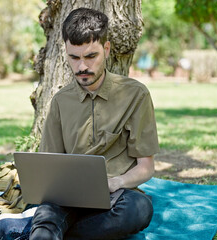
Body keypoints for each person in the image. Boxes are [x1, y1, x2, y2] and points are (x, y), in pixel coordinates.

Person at [29, 8, 160, 240]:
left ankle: (55, 232)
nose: (82, 67)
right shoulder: (60, 101)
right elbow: (49, 165)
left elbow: (145, 167)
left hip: (117, 194)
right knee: (44, 225)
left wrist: (116, 182)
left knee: (138, 211)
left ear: (106, 49)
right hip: (68, 196)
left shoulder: (136, 95)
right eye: (74, 57)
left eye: (91, 56)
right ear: (66, 52)